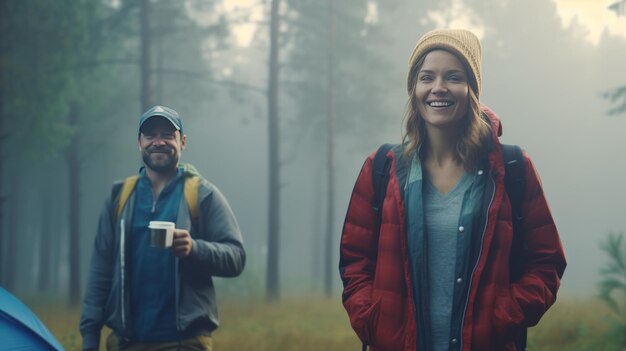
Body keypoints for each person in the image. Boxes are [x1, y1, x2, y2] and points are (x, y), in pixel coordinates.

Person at [339, 29, 566, 351]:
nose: (438, 88)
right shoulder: (381, 169)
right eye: (426, 77)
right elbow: (354, 261)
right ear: (414, 89)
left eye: (454, 77)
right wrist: (374, 320)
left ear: (472, 89)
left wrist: (504, 317)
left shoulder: (512, 168)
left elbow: (546, 263)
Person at [80, 105, 246, 351]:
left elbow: (236, 257)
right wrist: (90, 336)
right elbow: (100, 271)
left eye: (168, 135)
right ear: (139, 142)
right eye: (150, 135)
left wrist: (194, 249)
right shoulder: (120, 197)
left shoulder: (201, 194)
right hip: (126, 343)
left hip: (185, 343)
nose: (158, 142)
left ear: (182, 142)